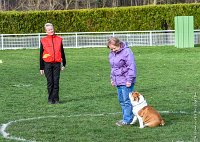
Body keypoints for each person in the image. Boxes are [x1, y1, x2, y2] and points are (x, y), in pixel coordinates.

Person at [107, 37, 136, 126]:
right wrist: (112, 78)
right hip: (118, 80)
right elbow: (113, 67)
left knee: (127, 101)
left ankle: (127, 120)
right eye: (111, 49)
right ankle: (125, 118)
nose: (113, 50)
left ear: (119, 45)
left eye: (114, 48)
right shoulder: (112, 53)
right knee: (121, 100)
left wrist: (129, 80)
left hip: (126, 80)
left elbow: (131, 66)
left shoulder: (127, 52)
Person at [40, 23, 66, 104]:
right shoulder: (43, 40)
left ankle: (56, 99)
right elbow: (41, 54)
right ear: (46, 31)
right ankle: (50, 99)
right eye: (48, 30)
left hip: (57, 64)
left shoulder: (59, 39)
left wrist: (64, 64)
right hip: (47, 64)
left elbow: (62, 52)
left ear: (53, 29)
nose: (50, 31)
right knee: (50, 82)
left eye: (51, 29)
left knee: (56, 82)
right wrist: (41, 67)